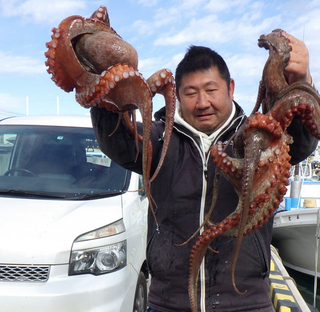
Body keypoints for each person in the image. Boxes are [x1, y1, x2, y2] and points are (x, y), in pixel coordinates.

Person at [90, 31, 318, 312]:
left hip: (248, 302)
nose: (202, 103)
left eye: (211, 90)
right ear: (176, 94)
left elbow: (301, 141)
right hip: (168, 302)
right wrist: (101, 88)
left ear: (230, 88)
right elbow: (119, 142)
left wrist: (303, 80)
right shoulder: (160, 139)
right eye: (190, 92)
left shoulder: (256, 138)